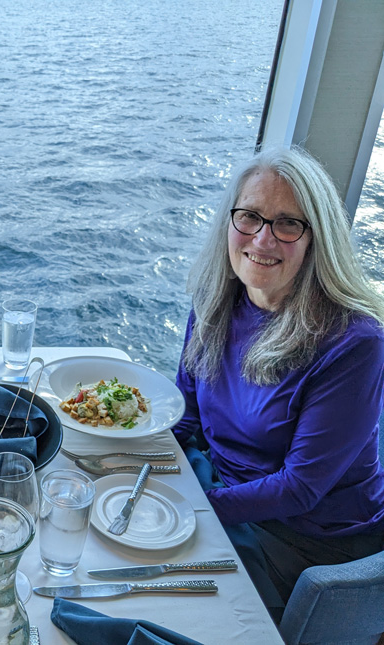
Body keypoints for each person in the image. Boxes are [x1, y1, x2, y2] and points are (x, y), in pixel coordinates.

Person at [173, 146, 384, 623]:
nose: (262, 239)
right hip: (225, 492)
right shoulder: (214, 300)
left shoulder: (355, 344)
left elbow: (300, 488)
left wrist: (191, 507)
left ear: (317, 238)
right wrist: (124, 468)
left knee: (177, 605)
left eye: (288, 223)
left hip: (309, 538)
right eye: (250, 216)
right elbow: (184, 417)